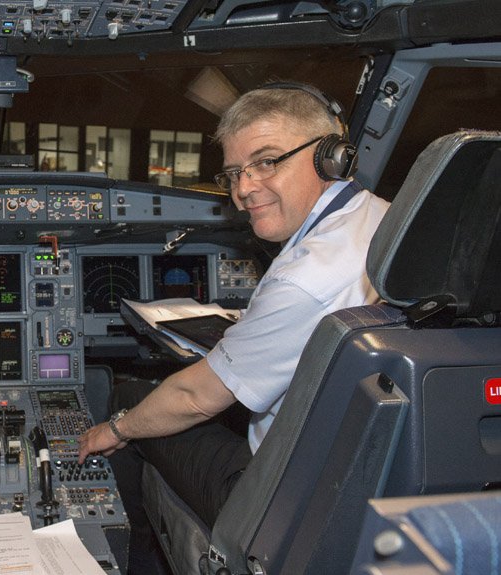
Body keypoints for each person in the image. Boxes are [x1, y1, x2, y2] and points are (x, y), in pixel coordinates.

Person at [76, 83, 390, 573]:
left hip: (279, 501)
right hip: (363, 479)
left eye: (268, 161)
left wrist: (113, 429)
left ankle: (137, 560)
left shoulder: (303, 278)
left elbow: (195, 399)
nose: (243, 189)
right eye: (234, 173)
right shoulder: (387, 221)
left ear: (332, 158)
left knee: (130, 400)